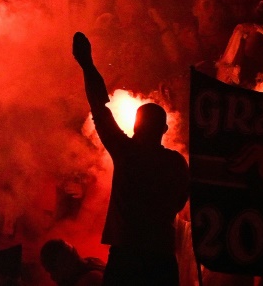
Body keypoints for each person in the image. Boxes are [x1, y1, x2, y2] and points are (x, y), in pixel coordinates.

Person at [71, 32, 188, 285]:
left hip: (126, 254)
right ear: (164, 131)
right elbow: (179, 202)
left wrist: (87, 65)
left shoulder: (126, 152)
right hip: (161, 256)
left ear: (136, 127)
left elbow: (99, 108)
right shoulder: (176, 162)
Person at [39, 239, 104, 286]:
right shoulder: (92, 261)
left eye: (53, 269)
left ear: (66, 263)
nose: (52, 277)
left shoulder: (89, 281)